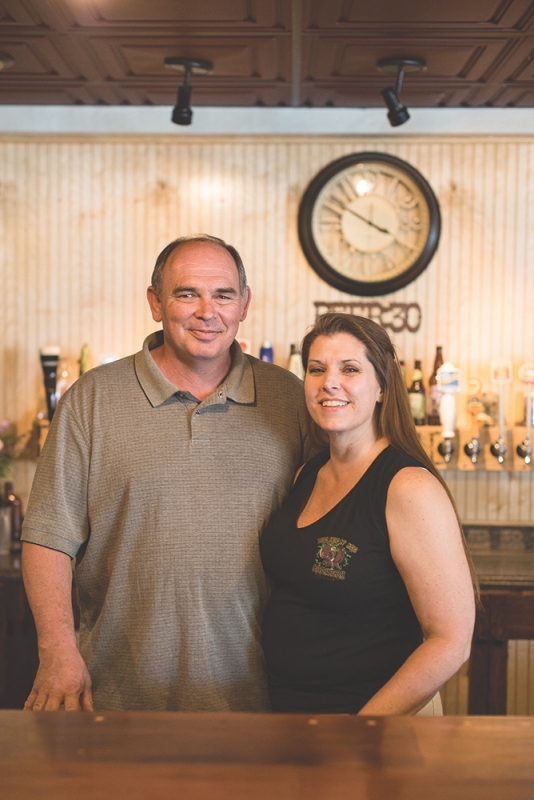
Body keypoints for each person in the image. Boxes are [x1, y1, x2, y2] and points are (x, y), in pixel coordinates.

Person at [21, 234, 317, 713]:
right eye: (187, 294)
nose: (207, 312)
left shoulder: (291, 400)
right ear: (155, 303)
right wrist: (56, 651)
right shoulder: (91, 400)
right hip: (117, 696)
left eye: (223, 295)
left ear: (244, 303)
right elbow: (47, 538)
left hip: (263, 699)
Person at [260, 313, 477, 715]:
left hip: (369, 723)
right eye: (317, 369)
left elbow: (450, 641)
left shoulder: (407, 487)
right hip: (291, 715)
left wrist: (362, 730)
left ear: (382, 387)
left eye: (350, 369)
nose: (329, 382)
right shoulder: (308, 473)